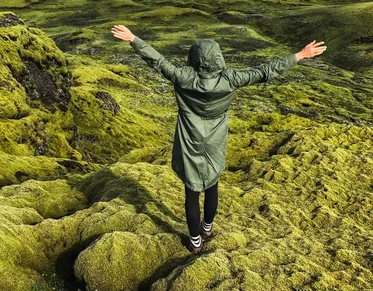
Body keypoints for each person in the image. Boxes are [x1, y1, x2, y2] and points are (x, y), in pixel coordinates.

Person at [111, 24, 327, 255]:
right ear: (218, 58)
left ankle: (195, 242)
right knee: (212, 184)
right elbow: (265, 71)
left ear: (193, 58)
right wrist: (301, 55)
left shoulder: (183, 77)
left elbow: (158, 61)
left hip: (189, 140)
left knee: (191, 192)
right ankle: (207, 228)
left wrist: (134, 38)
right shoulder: (231, 79)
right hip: (215, 141)